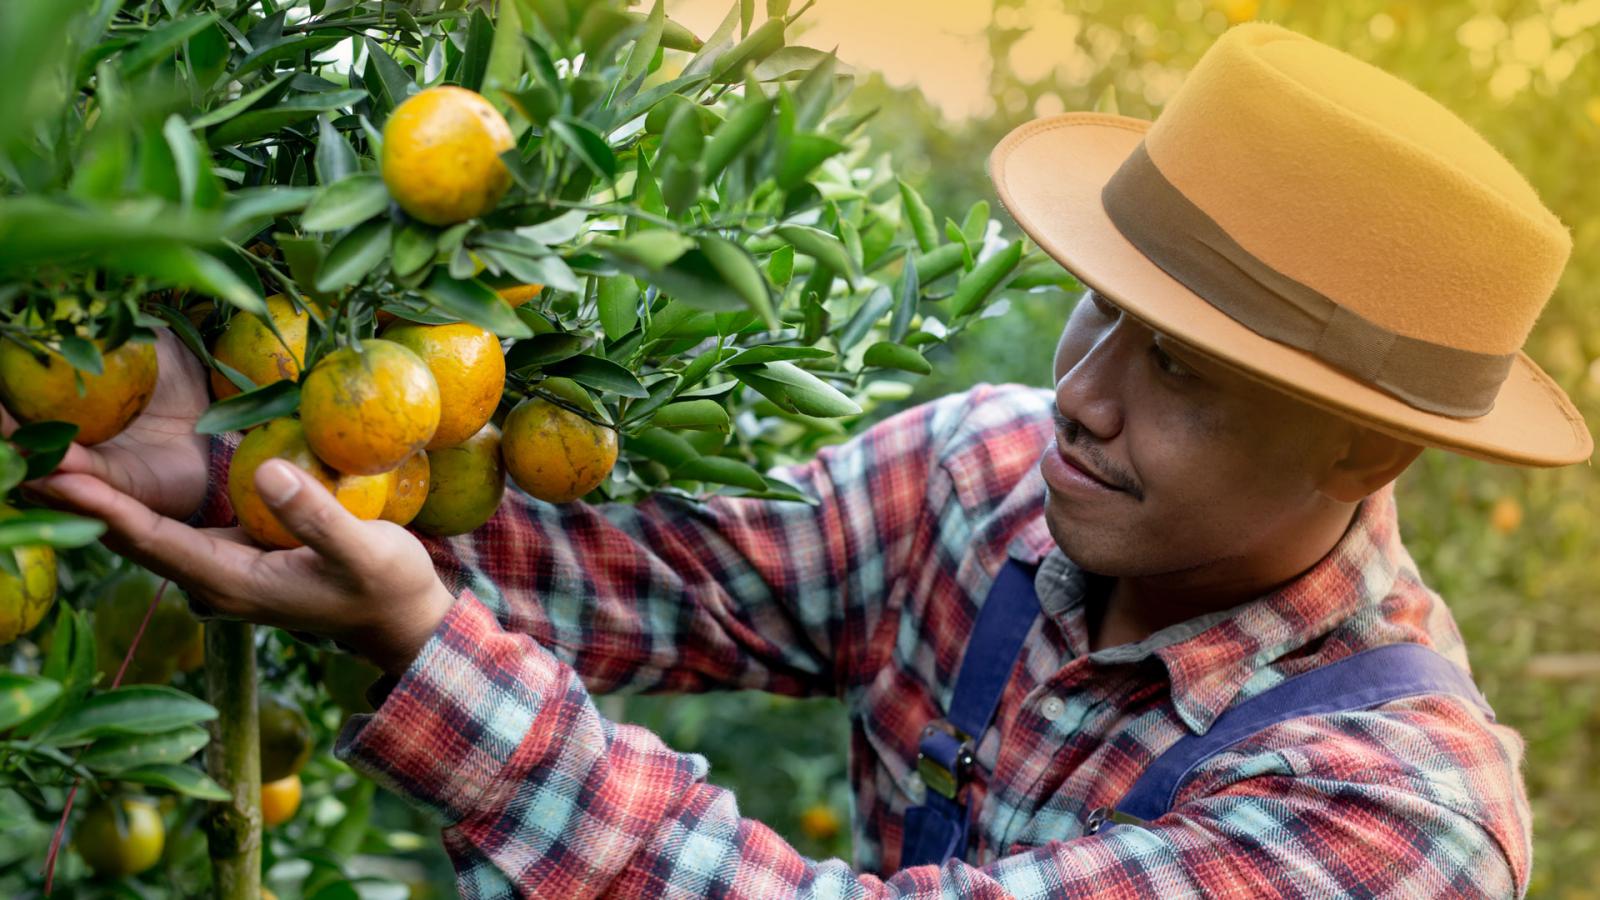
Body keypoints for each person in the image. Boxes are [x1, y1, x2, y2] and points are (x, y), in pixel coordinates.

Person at [19, 22, 1591, 898]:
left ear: (1369, 448)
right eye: (1095, 314)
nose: (1081, 400)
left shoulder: (1394, 826)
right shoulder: (991, 485)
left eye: (1176, 369)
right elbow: (631, 564)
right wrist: (231, 440)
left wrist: (431, 663)